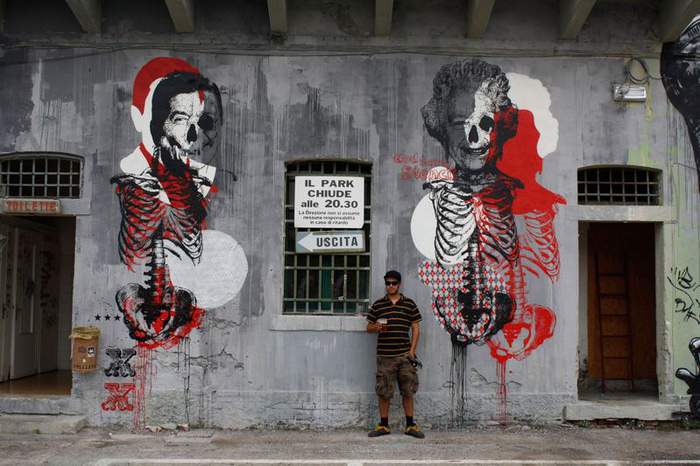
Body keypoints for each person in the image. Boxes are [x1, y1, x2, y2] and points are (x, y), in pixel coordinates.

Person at [366, 270, 424, 438]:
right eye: (388, 283)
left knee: (408, 390)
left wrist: (412, 351)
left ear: (399, 284)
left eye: (394, 283)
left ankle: (410, 425)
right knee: (384, 391)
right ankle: (384, 425)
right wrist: (376, 327)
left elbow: (416, 328)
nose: (390, 286)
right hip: (385, 356)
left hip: (405, 356)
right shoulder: (378, 305)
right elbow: (368, 327)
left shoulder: (409, 304)